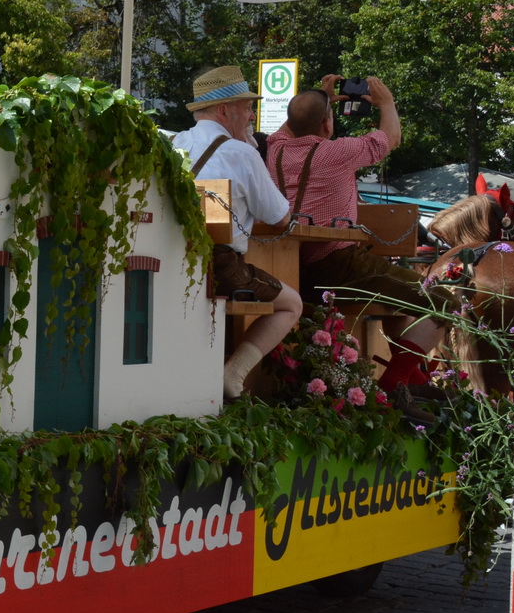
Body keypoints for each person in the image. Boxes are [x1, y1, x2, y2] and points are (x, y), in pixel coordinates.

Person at [265, 75, 445, 391]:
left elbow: (291, 124)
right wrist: (386, 102)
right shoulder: (339, 151)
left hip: (292, 265)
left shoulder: (275, 149)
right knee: (443, 302)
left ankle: (413, 377)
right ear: (327, 125)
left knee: (397, 296)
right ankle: (396, 379)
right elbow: (391, 137)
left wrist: (320, 98)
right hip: (339, 265)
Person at [169, 66, 302, 399]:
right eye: (246, 107)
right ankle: (234, 374)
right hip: (221, 267)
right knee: (292, 305)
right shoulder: (241, 153)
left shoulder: (174, 144)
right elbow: (280, 218)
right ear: (224, 110)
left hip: (173, 260)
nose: (251, 114)